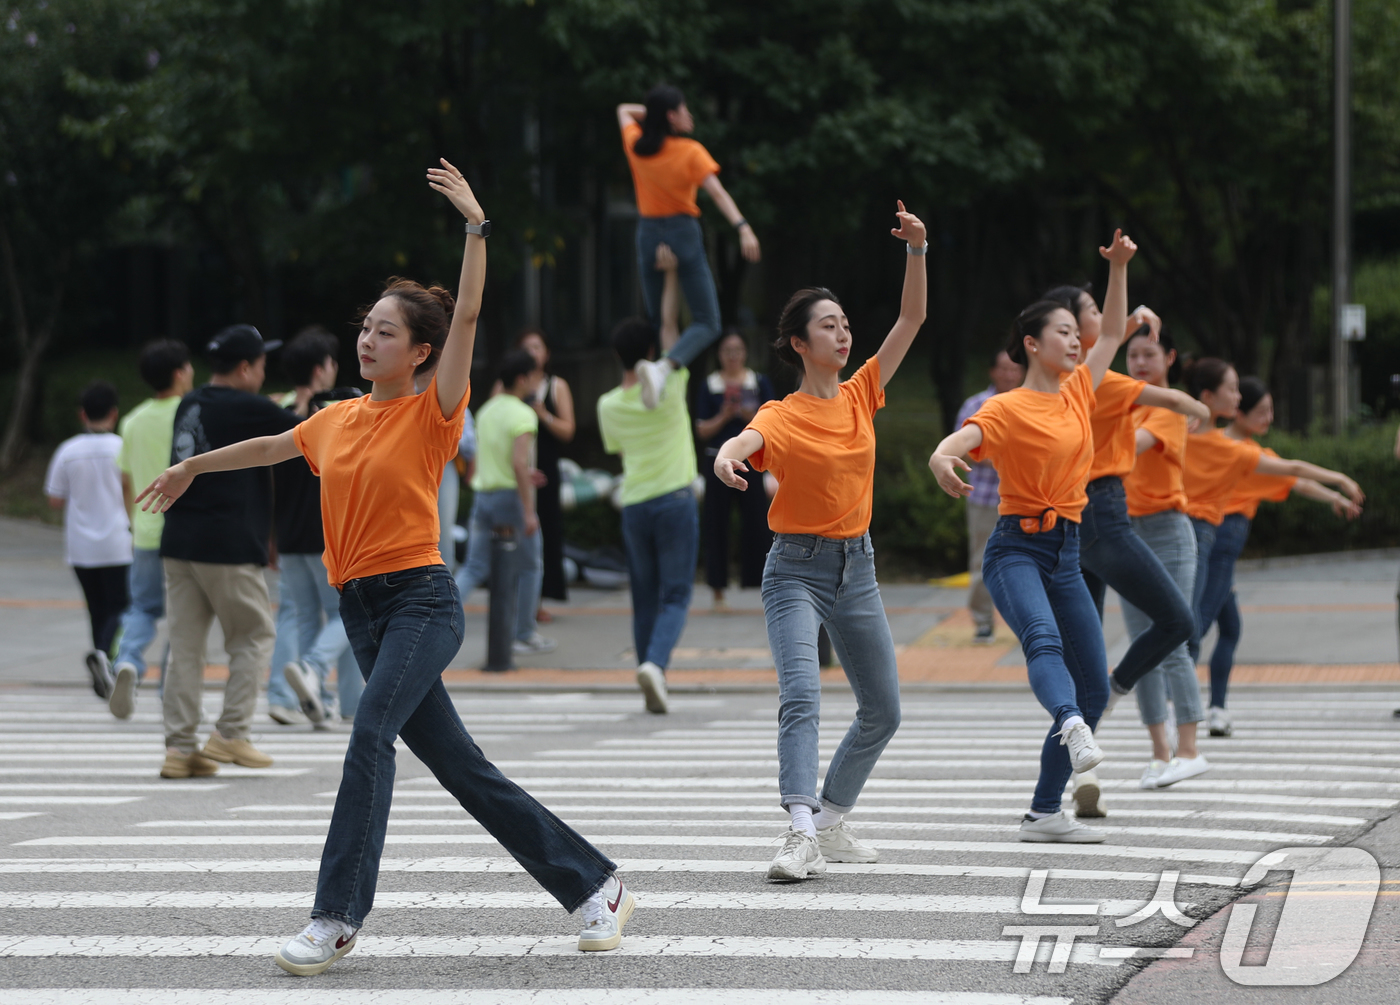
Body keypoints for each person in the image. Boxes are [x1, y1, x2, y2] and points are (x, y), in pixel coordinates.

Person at [138, 159, 634, 975]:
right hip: (362, 610)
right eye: (364, 327)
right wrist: (193, 467)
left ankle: (335, 916)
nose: (367, 339)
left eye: (385, 332)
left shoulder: (433, 411)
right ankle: (596, 885)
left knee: (369, 732)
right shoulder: (332, 419)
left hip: (421, 602)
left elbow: (469, 312)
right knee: (464, 768)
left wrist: (477, 227)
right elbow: (269, 446)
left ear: (421, 352)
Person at [714, 202, 927, 880]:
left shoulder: (863, 391)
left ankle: (831, 819)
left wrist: (917, 251)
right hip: (796, 570)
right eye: (827, 325)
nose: (842, 332)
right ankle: (799, 829)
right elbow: (750, 438)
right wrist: (728, 452)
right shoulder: (784, 411)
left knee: (884, 709)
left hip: (856, 567)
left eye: (843, 323)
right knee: (802, 695)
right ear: (800, 343)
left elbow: (911, 320)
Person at [929, 229, 1143, 844]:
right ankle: (1070, 721)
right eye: (1063, 334)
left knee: (1095, 683)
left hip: (1067, 552)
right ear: (1031, 343)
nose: (1077, 342)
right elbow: (956, 442)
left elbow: (1115, 329)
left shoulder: (1080, 390)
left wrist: (1119, 269)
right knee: (1044, 643)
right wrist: (943, 459)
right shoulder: (1005, 407)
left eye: (1078, 335)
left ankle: (1045, 812)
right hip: (1016, 548)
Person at [1039, 285, 1209, 817]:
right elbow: (1177, 400)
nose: (1095, 325)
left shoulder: (1052, 383)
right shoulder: (1099, 382)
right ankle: (1116, 695)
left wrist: (1130, 314)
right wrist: (1193, 404)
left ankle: (1066, 785)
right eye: (1076, 321)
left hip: (1066, 520)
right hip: (1104, 517)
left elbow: (1111, 328)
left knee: (1079, 659)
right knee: (1176, 623)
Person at [1181, 358, 1364, 738]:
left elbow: (1296, 480)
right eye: (1261, 411)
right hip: (1219, 537)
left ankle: (1213, 707)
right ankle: (1186, 710)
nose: (1268, 418)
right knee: (1194, 627)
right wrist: (1339, 482)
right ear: (1238, 411)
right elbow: (1296, 471)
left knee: (1227, 626)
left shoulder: (1239, 447)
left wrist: (1334, 496)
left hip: (1217, 537)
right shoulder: (1234, 450)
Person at [157, 323, 297, 779]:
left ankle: (179, 750)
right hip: (228, 543)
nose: (262, 371)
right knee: (253, 636)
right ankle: (232, 733)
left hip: (179, 541)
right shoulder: (250, 407)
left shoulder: (191, 401)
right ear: (245, 367)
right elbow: (304, 434)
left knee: (185, 647)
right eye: (260, 364)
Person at [597, 244, 709, 715]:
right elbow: (671, 330)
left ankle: (648, 667)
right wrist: (669, 277)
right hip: (676, 499)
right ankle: (656, 666)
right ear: (651, 354)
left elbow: (617, 452)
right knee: (677, 593)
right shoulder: (670, 387)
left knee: (643, 597)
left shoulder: (607, 404)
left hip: (635, 504)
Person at [617, 85, 760, 410]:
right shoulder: (691, 151)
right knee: (708, 321)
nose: (690, 115)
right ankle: (665, 369)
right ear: (671, 116)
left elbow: (624, 109)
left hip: (649, 233)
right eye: (684, 109)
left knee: (656, 319)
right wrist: (743, 227)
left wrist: (652, 116)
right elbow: (719, 193)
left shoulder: (636, 145)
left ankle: (651, 382)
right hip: (683, 232)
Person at [1117, 327, 1208, 789]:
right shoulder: (1123, 402)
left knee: (1171, 638)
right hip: (1124, 532)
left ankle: (1189, 750)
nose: (1140, 362)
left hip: (1168, 531)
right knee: (1140, 646)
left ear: (1169, 357)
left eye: (1149, 354)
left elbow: (1132, 449)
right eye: (1132, 354)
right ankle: (1159, 752)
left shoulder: (1169, 405)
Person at [266, 328, 365, 729]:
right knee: (351, 615)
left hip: (288, 533)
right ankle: (318, 673)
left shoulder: (279, 412)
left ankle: (318, 702)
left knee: (305, 617)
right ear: (323, 367)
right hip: (331, 533)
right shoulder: (344, 406)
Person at [110, 340, 195, 718]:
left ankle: (127, 660)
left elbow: (126, 482)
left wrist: (134, 523)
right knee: (183, 614)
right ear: (179, 373)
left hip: (143, 530)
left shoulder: (132, 420)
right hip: (184, 532)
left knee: (142, 608)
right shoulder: (191, 412)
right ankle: (168, 690)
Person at [457, 349, 556, 656]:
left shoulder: (487, 409)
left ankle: (438, 617)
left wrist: (524, 474)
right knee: (530, 567)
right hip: (510, 498)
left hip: (483, 496)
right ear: (523, 378)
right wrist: (528, 511)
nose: (538, 381)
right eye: (536, 375)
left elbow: (492, 458)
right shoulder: (524, 414)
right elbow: (516, 462)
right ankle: (524, 633)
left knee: (474, 566)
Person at [45, 380, 132, 700]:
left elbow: (55, 499)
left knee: (96, 608)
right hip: (118, 542)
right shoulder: (122, 447)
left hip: (81, 546)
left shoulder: (67, 451)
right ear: (114, 413)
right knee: (121, 606)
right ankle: (105, 656)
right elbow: (132, 490)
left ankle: (102, 663)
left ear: (82, 414)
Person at [695, 327, 775, 611]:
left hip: (752, 462)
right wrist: (725, 415)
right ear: (720, 355)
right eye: (727, 351)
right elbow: (702, 429)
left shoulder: (758, 382)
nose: (733, 357)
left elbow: (773, 420)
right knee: (716, 524)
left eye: (737, 351)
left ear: (744, 353)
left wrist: (745, 414)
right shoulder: (710, 385)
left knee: (758, 523)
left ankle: (763, 586)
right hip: (717, 461)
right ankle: (718, 592)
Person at [953, 350, 1026, 643]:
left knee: (1026, 561)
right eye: (1004, 369)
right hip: (984, 498)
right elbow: (965, 448)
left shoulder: (1031, 402)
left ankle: (1027, 622)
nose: (1009, 375)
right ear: (992, 372)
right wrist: (1012, 456)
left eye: (1014, 369)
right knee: (982, 560)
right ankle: (983, 621)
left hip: (1024, 498)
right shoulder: (975, 405)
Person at [519, 329, 575, 611]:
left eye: (537, 347)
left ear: (547, 353)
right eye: (526, 347)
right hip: (516, 467)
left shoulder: (557, 385)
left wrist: (543, 414)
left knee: (547, 530)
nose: (532, 353)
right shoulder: (510, 383)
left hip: (545, 468)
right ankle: (518, 600)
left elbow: (568, 430)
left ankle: (540, 600)